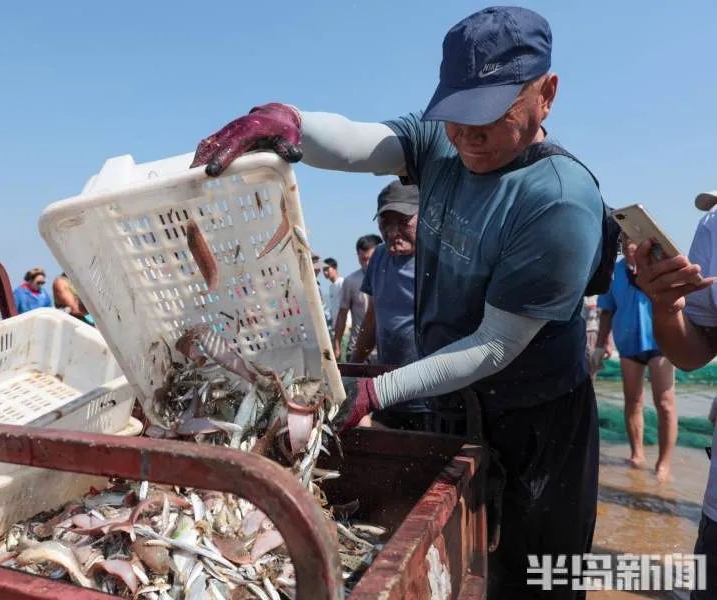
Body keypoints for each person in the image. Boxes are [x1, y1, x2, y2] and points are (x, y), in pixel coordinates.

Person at [191, 8, 604, 598]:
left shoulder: (556, 201)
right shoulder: (442, 139)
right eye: (457, 116)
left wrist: (375, 392)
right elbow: (362, 142)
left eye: (490, 116)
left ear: (547, 94)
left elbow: (495, 345)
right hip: (454, 399)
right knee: (461, 560)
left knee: (536, 578)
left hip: (537, 416)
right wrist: (294, 122)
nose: (466, 136)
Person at [633, 190, 717, 599]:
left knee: (663, 404)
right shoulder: (715, 224)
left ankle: (663, 463)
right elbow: (694, 351)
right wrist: (666, 308)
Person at [596, 234, 677, 480]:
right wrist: (601, 343)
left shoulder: (659, 265)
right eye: (626, 242)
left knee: (664, 403)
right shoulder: (615, 272)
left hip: (661, 342)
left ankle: (664, 463)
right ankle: (637, 453)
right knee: (633, 401)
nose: (631, 247)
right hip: (628, 342)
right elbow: (607, 310)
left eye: (635, 241)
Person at [349, 182, 419, 368]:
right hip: (388, 374)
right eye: (386, 222)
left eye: (404, 221)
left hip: (430, 379)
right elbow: (373, 315)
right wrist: (354, 365)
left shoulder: (439, 260)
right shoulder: (379, 255)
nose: (393, 232)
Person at [333, 234, 382, 361]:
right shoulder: (350, 282)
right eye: (363, 259)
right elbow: (342, 314)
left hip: (383, 350)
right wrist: (337, 344)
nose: (367, 263)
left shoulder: (391, 278)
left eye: (370, 259)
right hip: (357, 350)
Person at [321, 258, 344, 330]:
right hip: (335, 326)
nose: (325, 272)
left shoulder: (342, 283)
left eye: (327, 269)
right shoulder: (331, 287)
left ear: (335, 268)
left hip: (345, 325)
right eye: (323, 270)